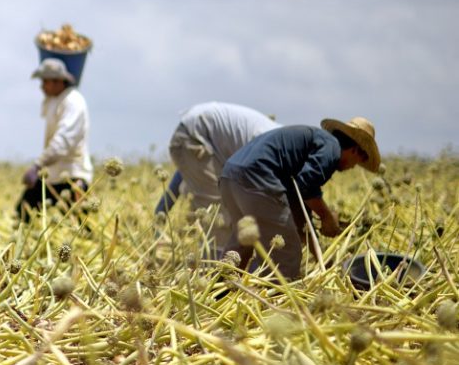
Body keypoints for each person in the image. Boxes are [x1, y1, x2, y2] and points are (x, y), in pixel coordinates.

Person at [218, 117, 380, 280]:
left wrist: (323, 260)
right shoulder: (332, 147)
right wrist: (326, 217)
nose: (353, 167)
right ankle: (272, 299)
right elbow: (306, 186)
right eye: (358, 162)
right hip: (258, 179)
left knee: (243, 242)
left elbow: (300, 213)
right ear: (356, 150)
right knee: (286, 254)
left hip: (230, 177)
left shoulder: (313, 144)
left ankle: (221, 291)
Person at [154, 102, 280, 248]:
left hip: (194, 130)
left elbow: (189, 168)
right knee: (217, 217)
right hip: (194, 134)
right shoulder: (277, 148)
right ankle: (213, 267)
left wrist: (162, 209)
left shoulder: (278, 138)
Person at [16, 58, 92, 222]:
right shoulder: (53, 101)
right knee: (23, 213)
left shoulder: (73, 102)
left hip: (72, 176)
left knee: (78, 226)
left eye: (46, 81)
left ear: (59, 81)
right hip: (52, 175)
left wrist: (37, 166)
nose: (42, 86)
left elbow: (62, 142)